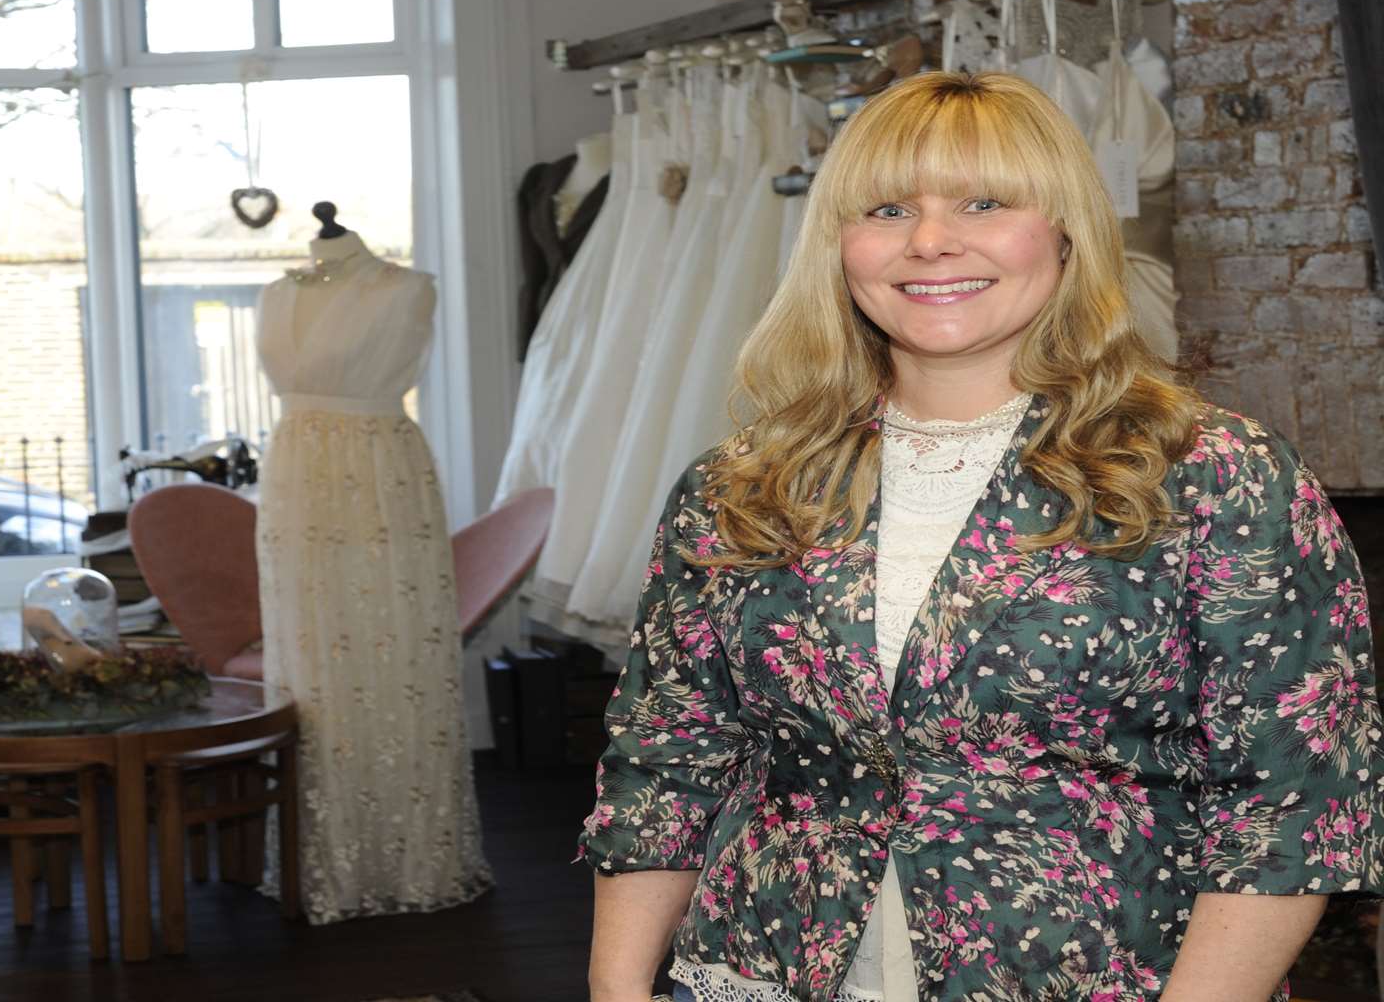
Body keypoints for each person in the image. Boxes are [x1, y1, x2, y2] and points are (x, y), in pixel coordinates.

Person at [581, 71, 1382, 1002]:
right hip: (763, 966)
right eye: (886, 208)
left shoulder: (1210, 474)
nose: (929, 241)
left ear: (1065, 231)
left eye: (983, 201)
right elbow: (665, 764)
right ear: (839, 244)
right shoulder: (744, 486)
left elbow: (1295, 799)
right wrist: (617, 990)